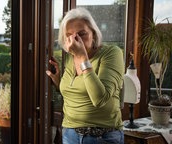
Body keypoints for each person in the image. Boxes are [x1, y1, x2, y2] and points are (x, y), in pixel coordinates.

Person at [46, 7, 125, 144]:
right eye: (69, 35)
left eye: (82, 34)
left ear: (93, 34)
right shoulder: (71, 58)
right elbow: (78, 90)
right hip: (70, 135)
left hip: (102, 136)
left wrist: (82, 57)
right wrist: (59, 82)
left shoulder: (112, 53)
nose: (76, 40)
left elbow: (100, 98)